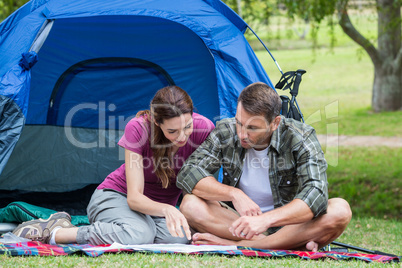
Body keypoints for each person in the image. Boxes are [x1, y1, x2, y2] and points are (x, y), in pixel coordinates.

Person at [13, 86, 215, 245]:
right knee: (139, 233)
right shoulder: (138, 128)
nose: (182, 137)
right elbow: (135, 198)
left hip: (154, 212)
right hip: (116, 196)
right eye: (172, 131)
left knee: (178, 237)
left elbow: (204, 182)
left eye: (187, 127)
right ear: (156, 121)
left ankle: (126, 229)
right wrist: (168, 210)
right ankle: (56, 231)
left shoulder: (204, 129)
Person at [177, 82, 352, 251]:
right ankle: (287, 245)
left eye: (252, 128)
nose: (242, 134)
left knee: (340, 210)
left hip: (289, 226)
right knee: (190, 204)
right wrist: (234, 194)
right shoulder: (226, 131)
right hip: (238, 222)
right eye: (239, 123)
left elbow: (317, 194)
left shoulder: (300, 136)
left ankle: (242, 245)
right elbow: (188, 172)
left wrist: (265, 220)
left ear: (275, 123)